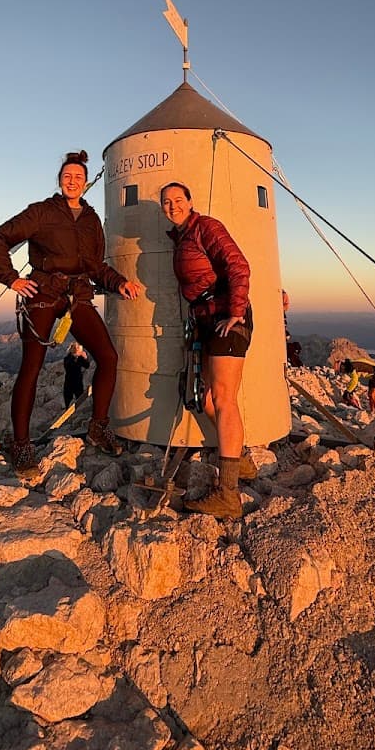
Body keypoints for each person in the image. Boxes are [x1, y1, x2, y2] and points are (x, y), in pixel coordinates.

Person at [0, 150, 141, 479]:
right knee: (32, 366)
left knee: (108, 357)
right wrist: (11, 278)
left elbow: (95, 266)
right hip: (43, 291)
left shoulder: (90, 220)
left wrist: (119, 282)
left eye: (78, 177)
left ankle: (99, 427)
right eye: (67, 176)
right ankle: (21, 445)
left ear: (85, 183)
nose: (73, 181)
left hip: (78, 294)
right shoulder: (42, 212)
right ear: (60, 181)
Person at [160, 181, 257, 518]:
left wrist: (236, 312)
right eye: (166, 202)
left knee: (224, 398)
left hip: (224, 314)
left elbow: (238, 266)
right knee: (209, 398)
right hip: (205, 318)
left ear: (190, 201)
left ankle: (228, 495)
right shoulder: (182, 237)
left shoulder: (206, 228)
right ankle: (239, 460)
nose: (172, 206)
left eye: (178, 199)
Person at [62, 343, 90, 409]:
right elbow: (68, 366)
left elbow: (87, 366)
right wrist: (75, 357)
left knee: (80, 398)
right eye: (80, 350)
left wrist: (85, 358)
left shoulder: (80, 358)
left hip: (78, 381)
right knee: (68, 399)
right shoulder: (67, 358)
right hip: (69, 381)